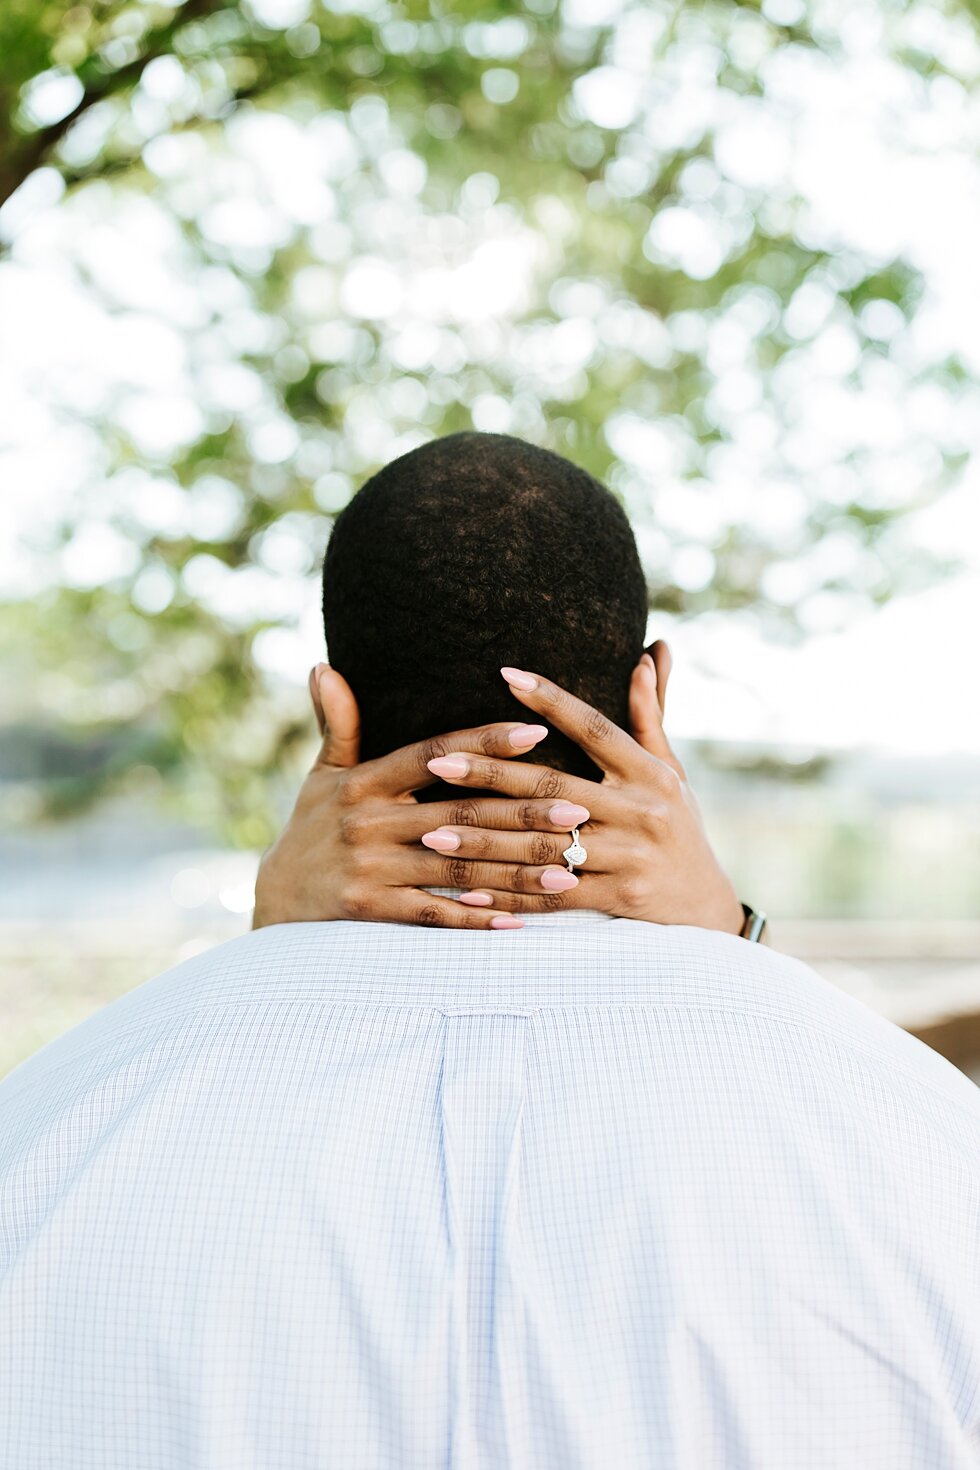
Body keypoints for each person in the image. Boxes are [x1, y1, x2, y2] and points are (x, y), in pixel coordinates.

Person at [2, 432, 980, 1470]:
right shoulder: (929, 1148)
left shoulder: (47, 1129)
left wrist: (266, 948)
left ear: (334, 699)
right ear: (648, 694)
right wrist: (733, 940)